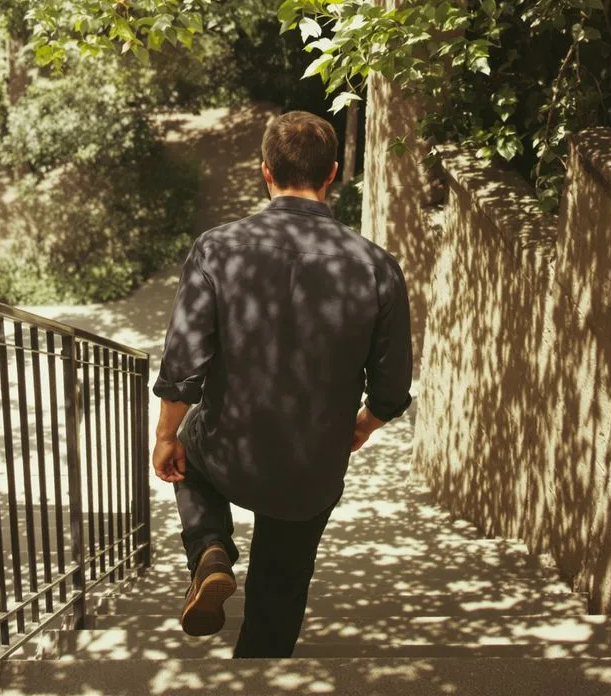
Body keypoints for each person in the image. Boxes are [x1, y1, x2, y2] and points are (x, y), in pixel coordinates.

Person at [151, 110, 414, 659]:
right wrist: (361, 427)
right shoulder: (376, 267)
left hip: (229, 449)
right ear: (334, 173)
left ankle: (210, 550)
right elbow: (391, 387)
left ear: (265, 171)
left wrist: (165, 435)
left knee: (187, 457)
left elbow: (185, 365)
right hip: (309, 468)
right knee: (281, 586)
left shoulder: (217, 248)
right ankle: (259, 672)